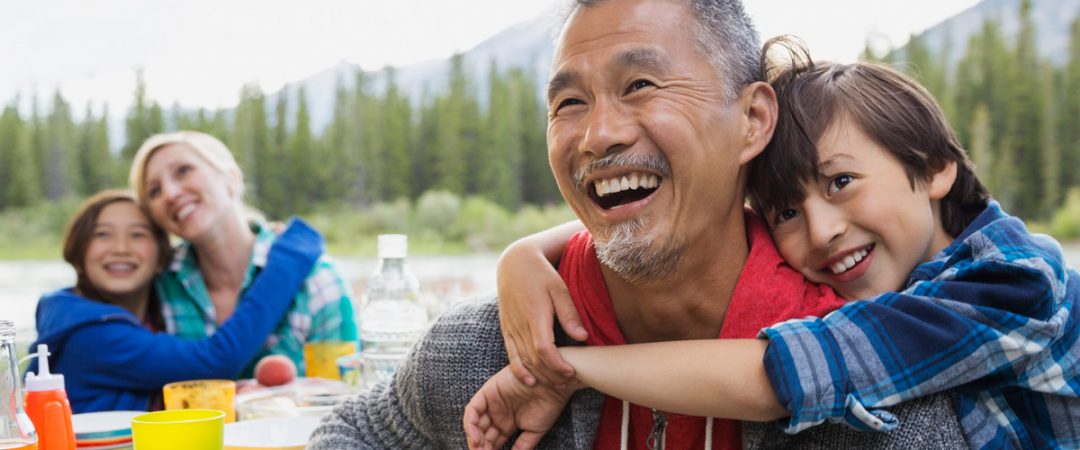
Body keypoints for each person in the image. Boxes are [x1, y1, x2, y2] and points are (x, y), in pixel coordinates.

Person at [308, 1, 965, 448]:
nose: (599, 134)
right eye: (569, 102)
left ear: (753, 121)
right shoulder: (483, 352)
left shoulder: (874, 393)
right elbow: (351, 432)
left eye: (642, 85)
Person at [465, 39, 1080, 450]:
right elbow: (669, 220)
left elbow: (774, 377)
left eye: (842, 182)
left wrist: (566, 372)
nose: (821, 231)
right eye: (786, 210)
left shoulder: (1013, 285)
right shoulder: (922, 272)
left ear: (937, 167)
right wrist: (523, 255)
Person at [29, 190, 325, 412]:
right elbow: (217, 359)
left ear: (162, 258)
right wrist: (289, 259)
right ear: (77, 251)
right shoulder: (90, 334)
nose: (120, 248)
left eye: (138, 235)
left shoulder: (159, 315)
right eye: (102, 234)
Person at [129, 131, 357, 376]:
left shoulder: (317, 279)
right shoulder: (158, 287)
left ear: (231, 180)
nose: (170, 194)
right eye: (154, 191)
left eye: (183, 171)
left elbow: (345, 395)